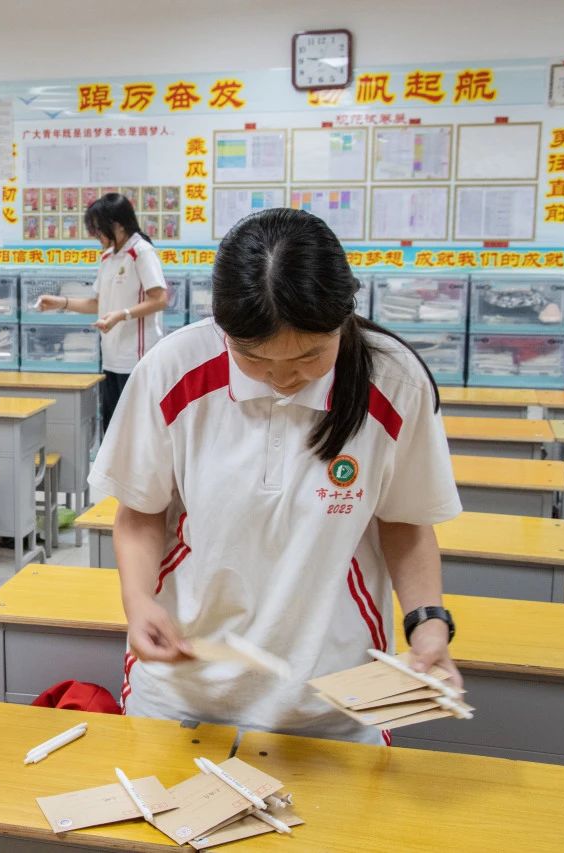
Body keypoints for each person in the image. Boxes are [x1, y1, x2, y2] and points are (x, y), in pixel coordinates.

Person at [88, 207, 462, 745]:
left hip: (333, 701)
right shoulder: (172, 371)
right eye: (256, 359)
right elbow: (140, 513)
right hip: (183, 693)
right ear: (223, 326)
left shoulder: (395, 383)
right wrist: (139, 601)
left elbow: (405, 522)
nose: (284, 378)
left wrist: (427, 624)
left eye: (310, 356)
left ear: (343, 318)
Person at [35, 193, 169, 429]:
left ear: (118, 225)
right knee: (112, 429)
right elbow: (98, 304)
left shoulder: (141, 251)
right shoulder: (108, 256)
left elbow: (159, 299)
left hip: (136, 358)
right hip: (111, 357)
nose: (96, 235)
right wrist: (60, 302)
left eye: (98, 229)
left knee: (135, 430)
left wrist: (121, 315)